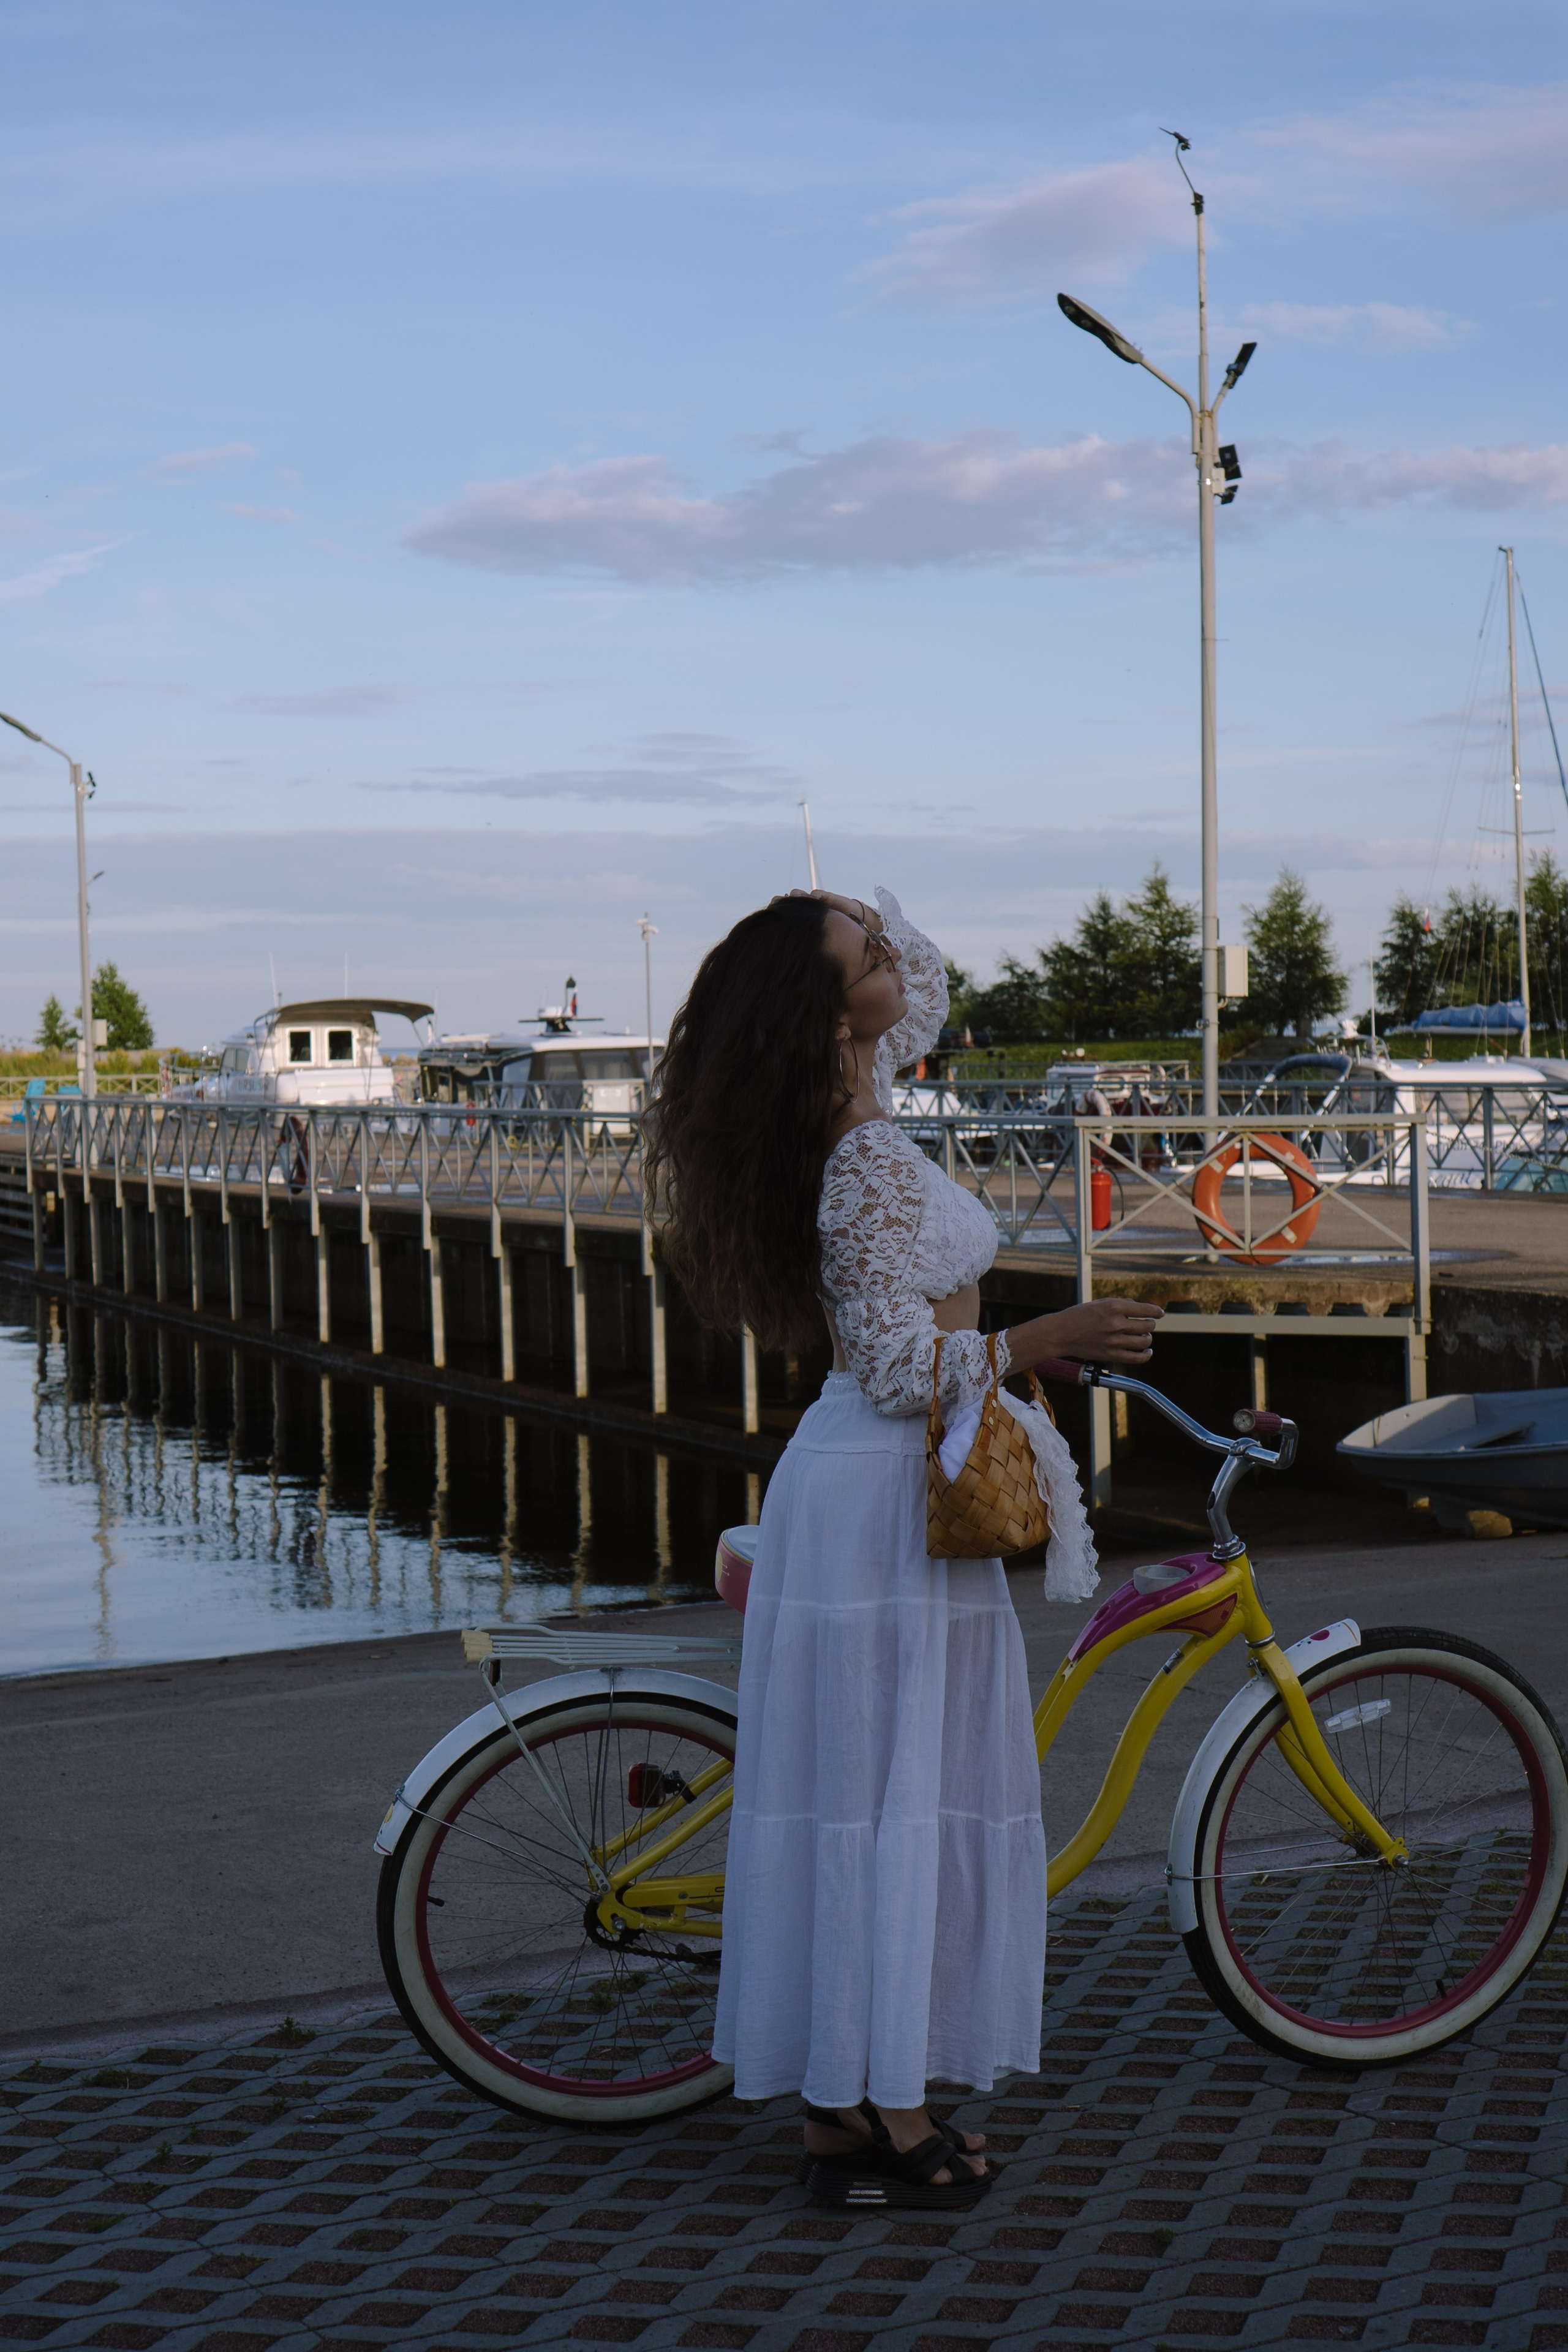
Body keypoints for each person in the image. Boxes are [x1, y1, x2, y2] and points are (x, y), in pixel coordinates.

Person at [646, 886, 1161, 2209]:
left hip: (872, 1488)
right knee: (888, 1797)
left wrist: (839, 909)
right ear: (829, 1016)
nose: (895, 962)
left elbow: (921, 983)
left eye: (880, 947)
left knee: (873, 1791)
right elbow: (889, 1364)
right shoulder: (863, 1152)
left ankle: (841, 2113)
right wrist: (1052, 1338)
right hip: (882, 1488)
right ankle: (884, 2108)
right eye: (866, 957)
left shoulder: (853, 1092)